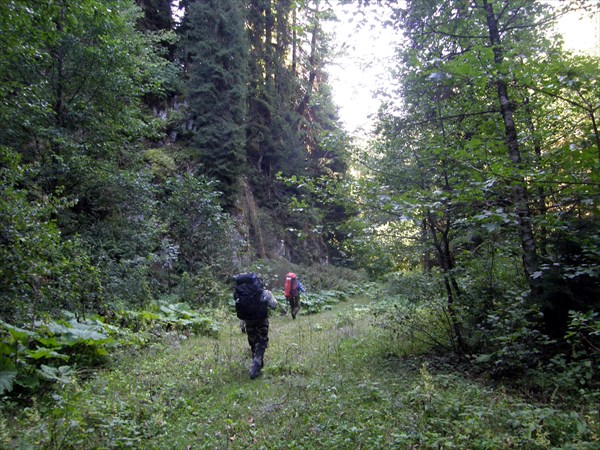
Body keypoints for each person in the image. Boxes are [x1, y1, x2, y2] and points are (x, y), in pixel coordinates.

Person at [233, 273, 278, 379]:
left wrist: (242, 324)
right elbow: (274, 305)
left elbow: (238, 304)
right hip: (262, 321)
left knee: (253, 341)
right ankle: (255, 367)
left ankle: (257, 363)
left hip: (248, 321)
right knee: (261, 342)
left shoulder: (238, 293)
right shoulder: (265, 292)